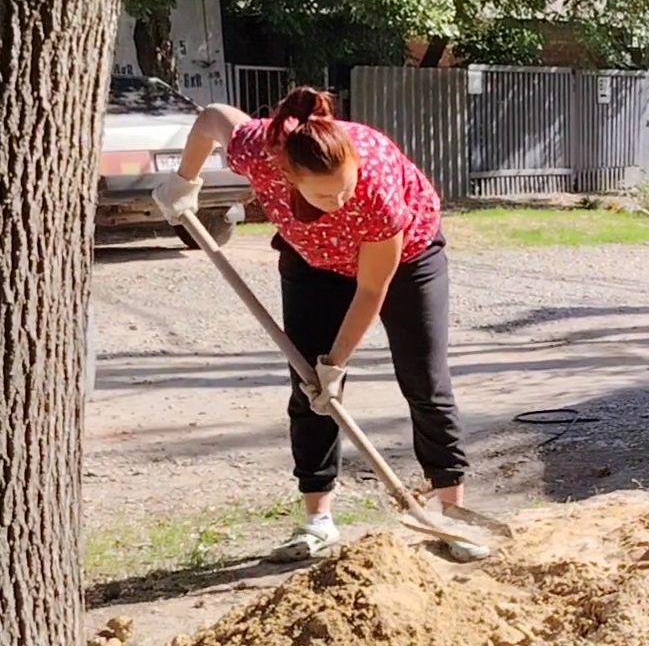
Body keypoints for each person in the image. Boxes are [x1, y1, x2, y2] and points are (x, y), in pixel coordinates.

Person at [152, 86, 486, 564]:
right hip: (312, 262)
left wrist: (338, 362)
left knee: (424, 380)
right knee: (309, 387)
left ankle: (450, 513)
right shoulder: (261, 152)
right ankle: (318, 520)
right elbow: (210, 118)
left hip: (408, 258)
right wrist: (185, 181)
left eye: (345, 185)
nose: (341, 198)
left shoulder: (374, 192)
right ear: (288, 176)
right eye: (326, 193)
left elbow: (372, 290)